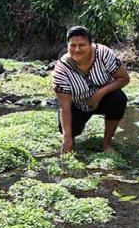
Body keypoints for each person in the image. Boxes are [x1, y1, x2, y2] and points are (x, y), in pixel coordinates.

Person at [52, 26, 130, 154]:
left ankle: (106, 143)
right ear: (67, 46)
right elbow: (65, 107)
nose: (77, 49)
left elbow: (124, 78)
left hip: (104, 99)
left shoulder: (103, 54)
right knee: (68, 131)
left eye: (82, 45)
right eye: (73, 45)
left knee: (118, 98)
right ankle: (71, 142)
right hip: (77, 105)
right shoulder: (61, 70)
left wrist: (99, 93)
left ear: (90, 45)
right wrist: (66, 138)